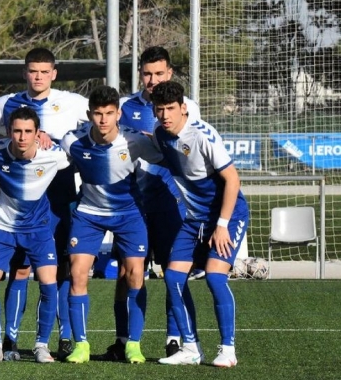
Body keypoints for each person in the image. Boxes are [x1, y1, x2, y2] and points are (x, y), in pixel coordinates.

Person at [0, 47, 88, 361]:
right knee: (21, 269)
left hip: (58, 192)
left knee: (60, 268)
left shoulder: (72, 102)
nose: (38, 76)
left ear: (54, 73)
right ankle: (9, 339)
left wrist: (57, 137)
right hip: (19, 195)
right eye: (33, 71)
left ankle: (64, 336)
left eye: (44, 71)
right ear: (24, 73)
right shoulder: (8, 104)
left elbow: (97, 123)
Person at [101, 46, 201, 360]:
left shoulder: (186, 108)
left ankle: (176, 339)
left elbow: (192, 153)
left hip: (171, 202)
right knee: (127, 274)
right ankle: (124, 340)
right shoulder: (124, 106)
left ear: (169, 73)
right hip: (131, 206)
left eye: (159, 73)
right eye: (147, 73)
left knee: (175, 272)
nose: (152, 80)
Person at [60, 85, 164, 364]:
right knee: (78, 274)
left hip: (129, 214)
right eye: (97, 114)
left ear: (119, 113)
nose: (103, 120)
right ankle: (81, 345)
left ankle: (133, 344)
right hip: (89, 215)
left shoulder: (135, 141)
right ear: (89, 114)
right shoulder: (73, 141)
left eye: (109, 113)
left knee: (135, 276)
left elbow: (165, 156)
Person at [151, 81, 249, 367]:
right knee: (172, 278)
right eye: (160, 109)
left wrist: (222, 224)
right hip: (194, 219)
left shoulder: (203, 135)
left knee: (215, 278)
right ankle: (191, 348)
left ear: (183, 108)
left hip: (226, 216)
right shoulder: (160, 134)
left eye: (171, 108)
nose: (165, 115)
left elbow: (232, 179)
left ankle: (227, 350)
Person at [0, 107, 69, 364]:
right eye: (17, 131)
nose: (22, 137)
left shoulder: (54, 156)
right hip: (2, 227)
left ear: (38, 133)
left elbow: (79, 157)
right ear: (9, 131)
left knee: (49, 283)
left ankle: (41, 345)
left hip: (38, 229)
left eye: (28, 131)